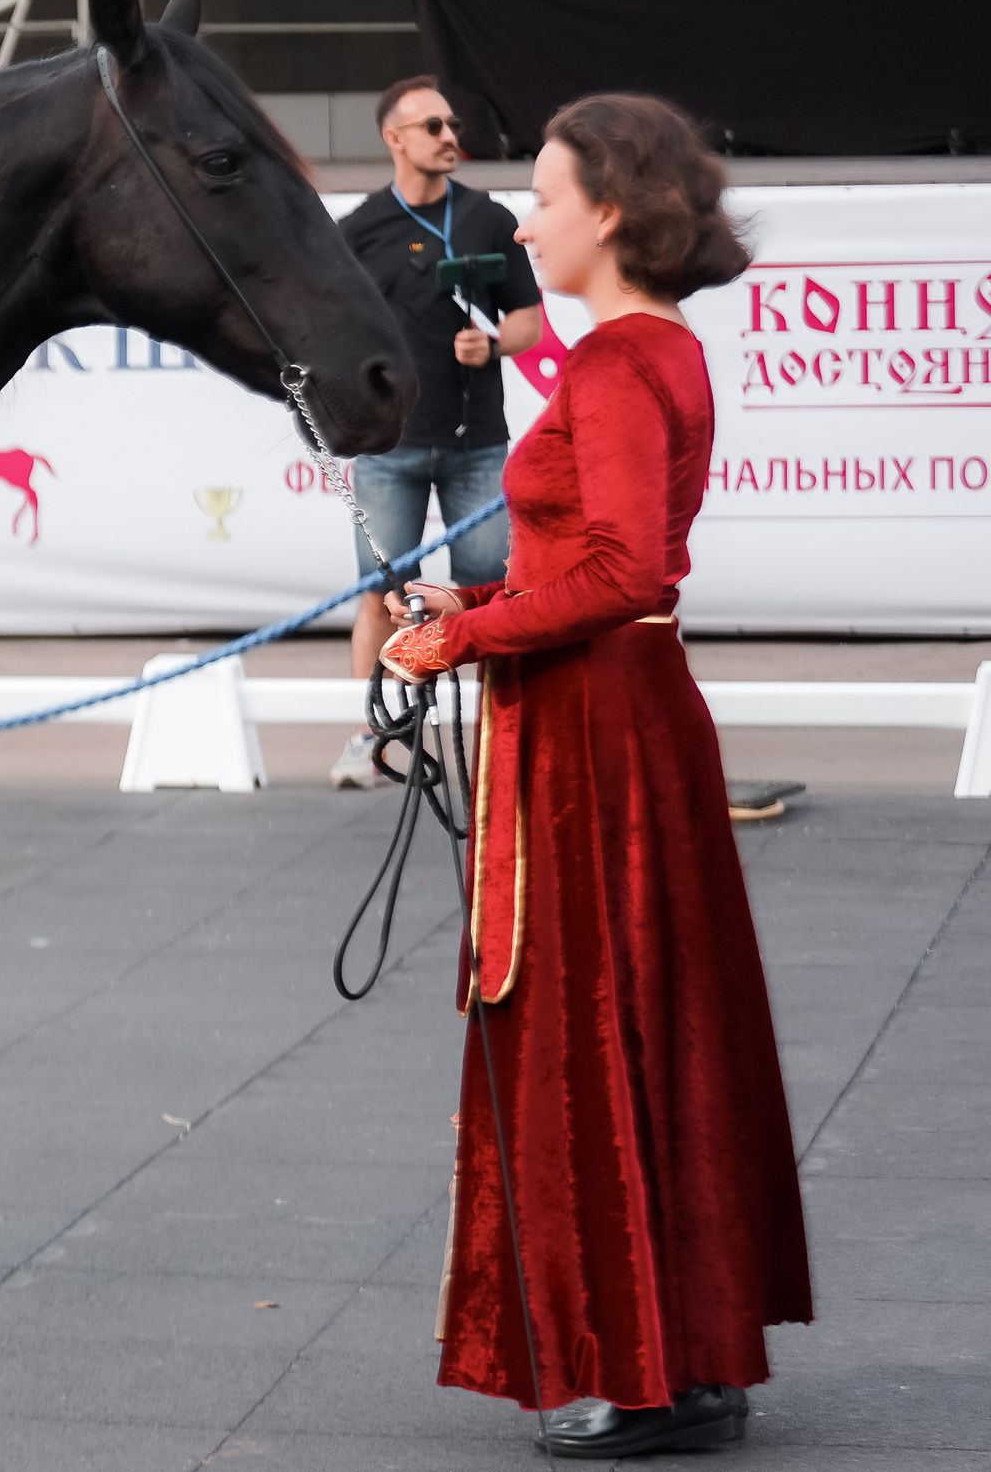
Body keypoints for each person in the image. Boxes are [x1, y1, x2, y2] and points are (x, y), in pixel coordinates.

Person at [379, 93, 812, 1459]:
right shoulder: (648, 350)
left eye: (550, 197)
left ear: (612, 214)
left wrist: (461, 628)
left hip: (596, 728)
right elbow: (606, 564)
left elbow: (628, 567)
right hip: (624, 707)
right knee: (652, 1016)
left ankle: (639, 1369)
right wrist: (493, 591)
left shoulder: (622, 363)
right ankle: (678, 1356)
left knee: (590, 1024)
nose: (528, 219)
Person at [329, 75, 544, 788]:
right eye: (433, 127)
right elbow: (329, 329)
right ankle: (372, 737)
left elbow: (528, 320)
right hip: (388, 446)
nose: (451, 137)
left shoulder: (488, 218)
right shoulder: (358, 230)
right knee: (380, 593)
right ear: (394, 139)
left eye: (452, 124)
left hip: (478, 442)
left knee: (494, 590)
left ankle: (505, 743)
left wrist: (495, 344)